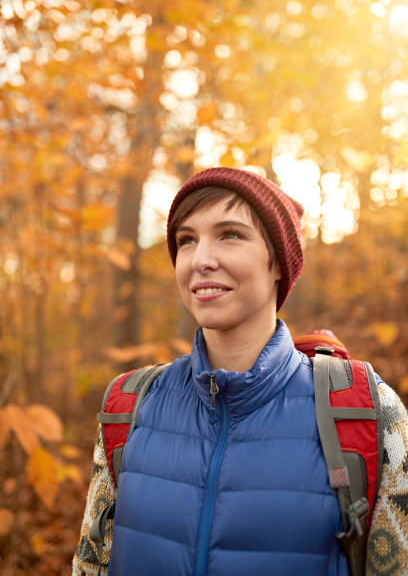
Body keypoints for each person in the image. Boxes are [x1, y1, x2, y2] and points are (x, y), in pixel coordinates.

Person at [73, 167, 408, 576]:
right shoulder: (128, 405)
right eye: (186, 240)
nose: (200, 260)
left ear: (279, 263)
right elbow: (89, 567)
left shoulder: (366, 410)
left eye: (230, 234)